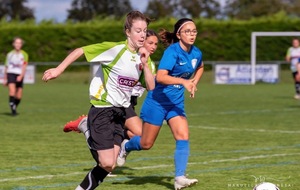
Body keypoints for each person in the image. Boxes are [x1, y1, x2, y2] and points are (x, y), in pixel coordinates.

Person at [42, 11, 154, 190]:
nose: (142, 35)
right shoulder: (115, 50)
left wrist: (145, 64)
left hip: (120, 114)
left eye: (145, 31)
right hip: (103, 109)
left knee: (109, 165)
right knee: (107, 162)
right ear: (127, 32)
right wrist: (58, 70)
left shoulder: (144, 59)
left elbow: (151, 86)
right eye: (138, 30)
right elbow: (81, 50)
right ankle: (86, 127)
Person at [117, 18, 204, 190]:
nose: (192, 34)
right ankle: (126, 145)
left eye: (194, 31)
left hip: (175, 104)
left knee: (183, 136)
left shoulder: (196, 53)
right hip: (157, 102)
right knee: (146, 144)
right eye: (187, 31)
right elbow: (161, 77)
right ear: (179, 34)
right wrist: (184, 82)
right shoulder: (172, 52)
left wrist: (194, 81)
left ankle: (180, 177)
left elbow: (200, 66)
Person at [63, 30, 159, 141]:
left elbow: (150, 86)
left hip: (130, 101)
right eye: (150, 43)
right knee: (140, 134)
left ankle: (88, 126)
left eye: (156, 44)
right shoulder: (123, 52)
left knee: (120, 139)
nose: (153, 47)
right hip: (116, 99)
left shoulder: (149, 62)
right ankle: (87, 127)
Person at [3, 37, 28, 116]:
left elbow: (24, 66)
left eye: (19, 43)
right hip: (11, 73)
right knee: (12, 92)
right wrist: (5, 78)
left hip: (19, 74)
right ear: (13, 44)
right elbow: (7, 66)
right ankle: (13, 111)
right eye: (16, 43)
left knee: (19, 96)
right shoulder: (9, 54)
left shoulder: (24, 54)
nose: (18, 44)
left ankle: (14, 106)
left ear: (21, 44)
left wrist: (21, 75)